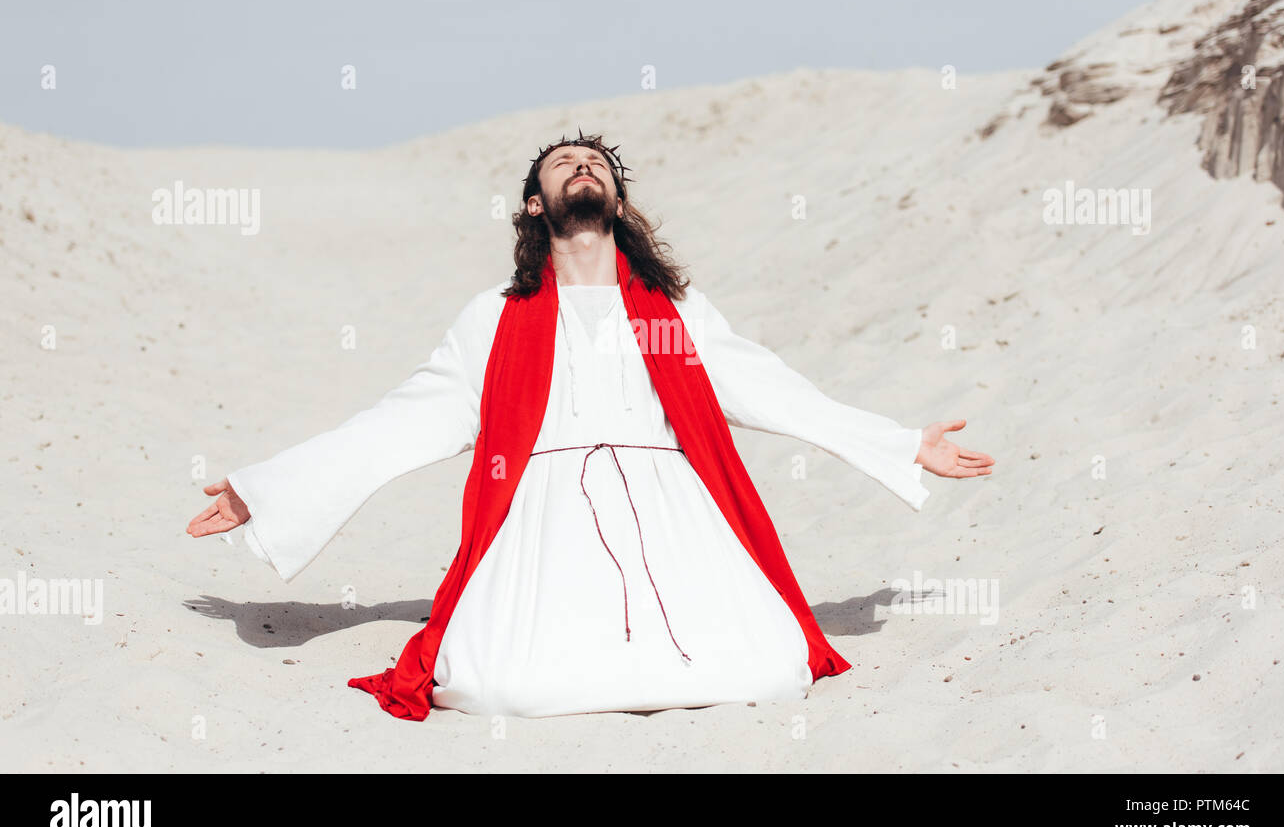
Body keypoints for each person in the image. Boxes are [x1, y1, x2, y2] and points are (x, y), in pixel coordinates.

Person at [186, 131, 995, 720]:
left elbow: (775, 390)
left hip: (672, 503)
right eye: (566, 164)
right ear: (537, 204)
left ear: (616, 201)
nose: (585, 168)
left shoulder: (672, 312)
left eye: (598, 165)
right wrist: (270, 489)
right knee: (507, 683)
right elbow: (399, 424)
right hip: (543, 512)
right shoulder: (494, 321)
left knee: (769, 664)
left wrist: (900, 442)